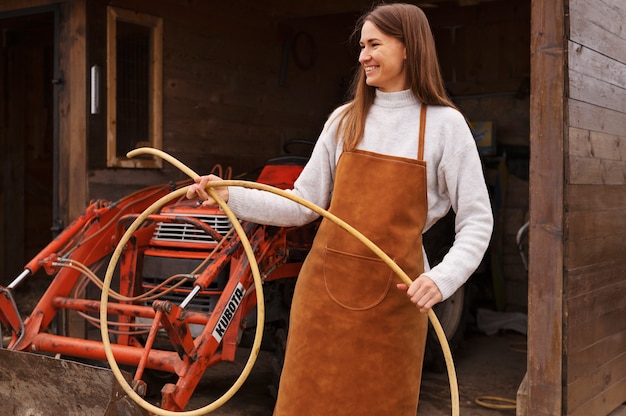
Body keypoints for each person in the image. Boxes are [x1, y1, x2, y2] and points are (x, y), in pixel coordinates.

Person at [187, 3, 493, 415]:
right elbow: (301, 205)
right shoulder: (344, 120)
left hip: (394, 308)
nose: (363, 55)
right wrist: (228, 196)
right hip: (322, 301)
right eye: (362, 45)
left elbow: (477, 220)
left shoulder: (444, 126)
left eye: (374, 44)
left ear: (408, 49)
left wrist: (442, 280)